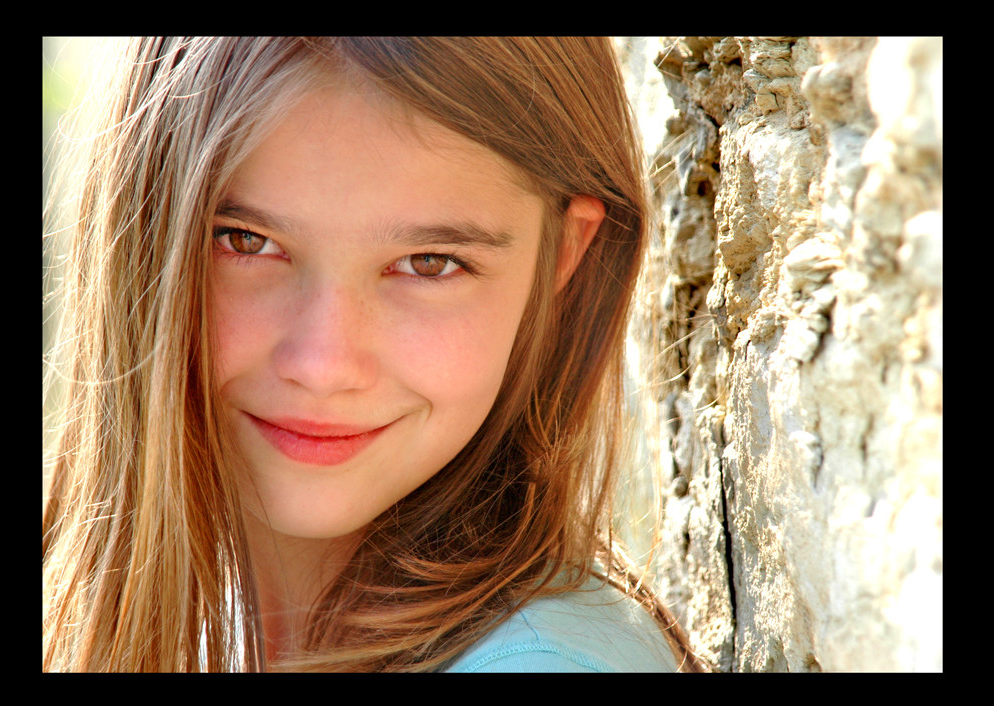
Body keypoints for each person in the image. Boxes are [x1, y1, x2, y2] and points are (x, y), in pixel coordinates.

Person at [42, 36, 705, 673]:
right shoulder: (202, 630)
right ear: (138, 238)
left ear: (562, 254)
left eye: (429, 262)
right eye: (245, 242)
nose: (324, 363)